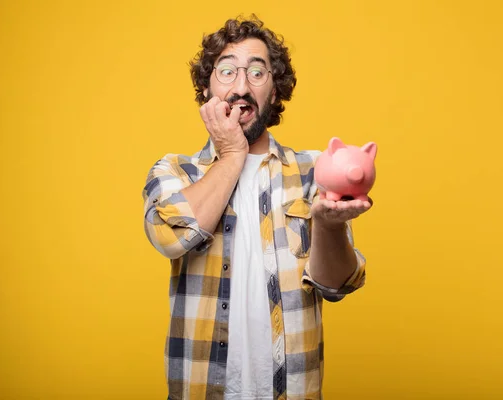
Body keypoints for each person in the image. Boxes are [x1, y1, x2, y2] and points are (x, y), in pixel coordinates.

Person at [142, 15, 372, 400]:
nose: (242, 87)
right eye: (227, 71)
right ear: (206, 88)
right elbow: (172, 237)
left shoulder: (314, 171)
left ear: (275, 90)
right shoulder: (175, 172)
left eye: (257, 73)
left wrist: (329, 227)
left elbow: (337, 286)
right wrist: (233, 153)